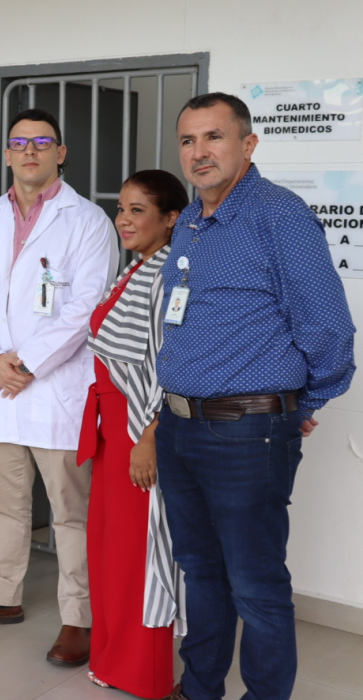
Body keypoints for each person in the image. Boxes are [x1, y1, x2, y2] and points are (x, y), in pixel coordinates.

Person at [155, 93, 355, 700]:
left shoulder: (279, 214)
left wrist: (303, 401)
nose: (199, 152)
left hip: (245, 432)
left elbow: (328, 326)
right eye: (188, 140)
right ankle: (200, 689)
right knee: (201, 574)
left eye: (214, 138)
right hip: (180, 426)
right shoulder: (191, 220)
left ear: (248, 144)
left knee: (255, 584)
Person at [0, 108, 118, 669]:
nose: (30, 151)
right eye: (20, 143)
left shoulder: (87, 221)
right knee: (5, 505)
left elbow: (86, 307)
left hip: (55, 387)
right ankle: (1, 596)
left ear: (61, 153)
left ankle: (79, 616)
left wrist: (29, 365)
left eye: (43, 142)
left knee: (70, 509)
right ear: (7, 154)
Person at [80, 170, 188, 698]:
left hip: (139, 428)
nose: (123, 218)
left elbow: (170, 362)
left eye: (138, 209)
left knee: (140, 554)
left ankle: (144, 673)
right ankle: (112, 659)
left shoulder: (169, 273)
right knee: (109, 551)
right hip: (111, 429)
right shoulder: (135, 269)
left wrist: (149, 435)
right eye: (121, 208)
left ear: (171, 218)